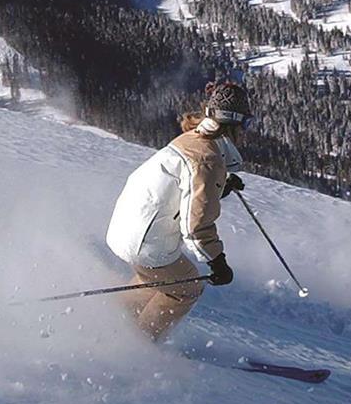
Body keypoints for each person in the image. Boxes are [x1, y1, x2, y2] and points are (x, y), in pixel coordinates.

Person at [105, 80, 250, 341]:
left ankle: (114, 317)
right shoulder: (208, 160)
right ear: (234, 123)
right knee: (186, 287)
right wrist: (217, 262)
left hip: (125, 227)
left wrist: (220, 186)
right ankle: (140, 343)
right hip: (145, 241)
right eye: (246, 124)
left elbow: (185, 189)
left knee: (157, 278)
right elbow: (196, 226)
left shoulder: (192, 139)